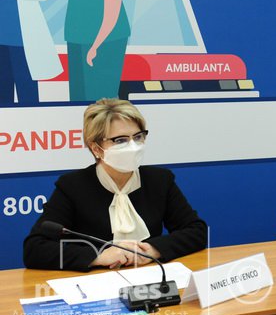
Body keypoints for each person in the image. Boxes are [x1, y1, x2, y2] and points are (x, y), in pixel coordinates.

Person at [23, 99, 207, 271]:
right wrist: (99, 256)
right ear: (96, 148)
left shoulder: (159, 180)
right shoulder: (73, 186)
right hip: (95, 283)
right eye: (120, 140)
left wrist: (153, 250)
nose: (133, 146)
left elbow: (197, 231)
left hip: (151, 276)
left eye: (138, 137)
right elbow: (34, 249)